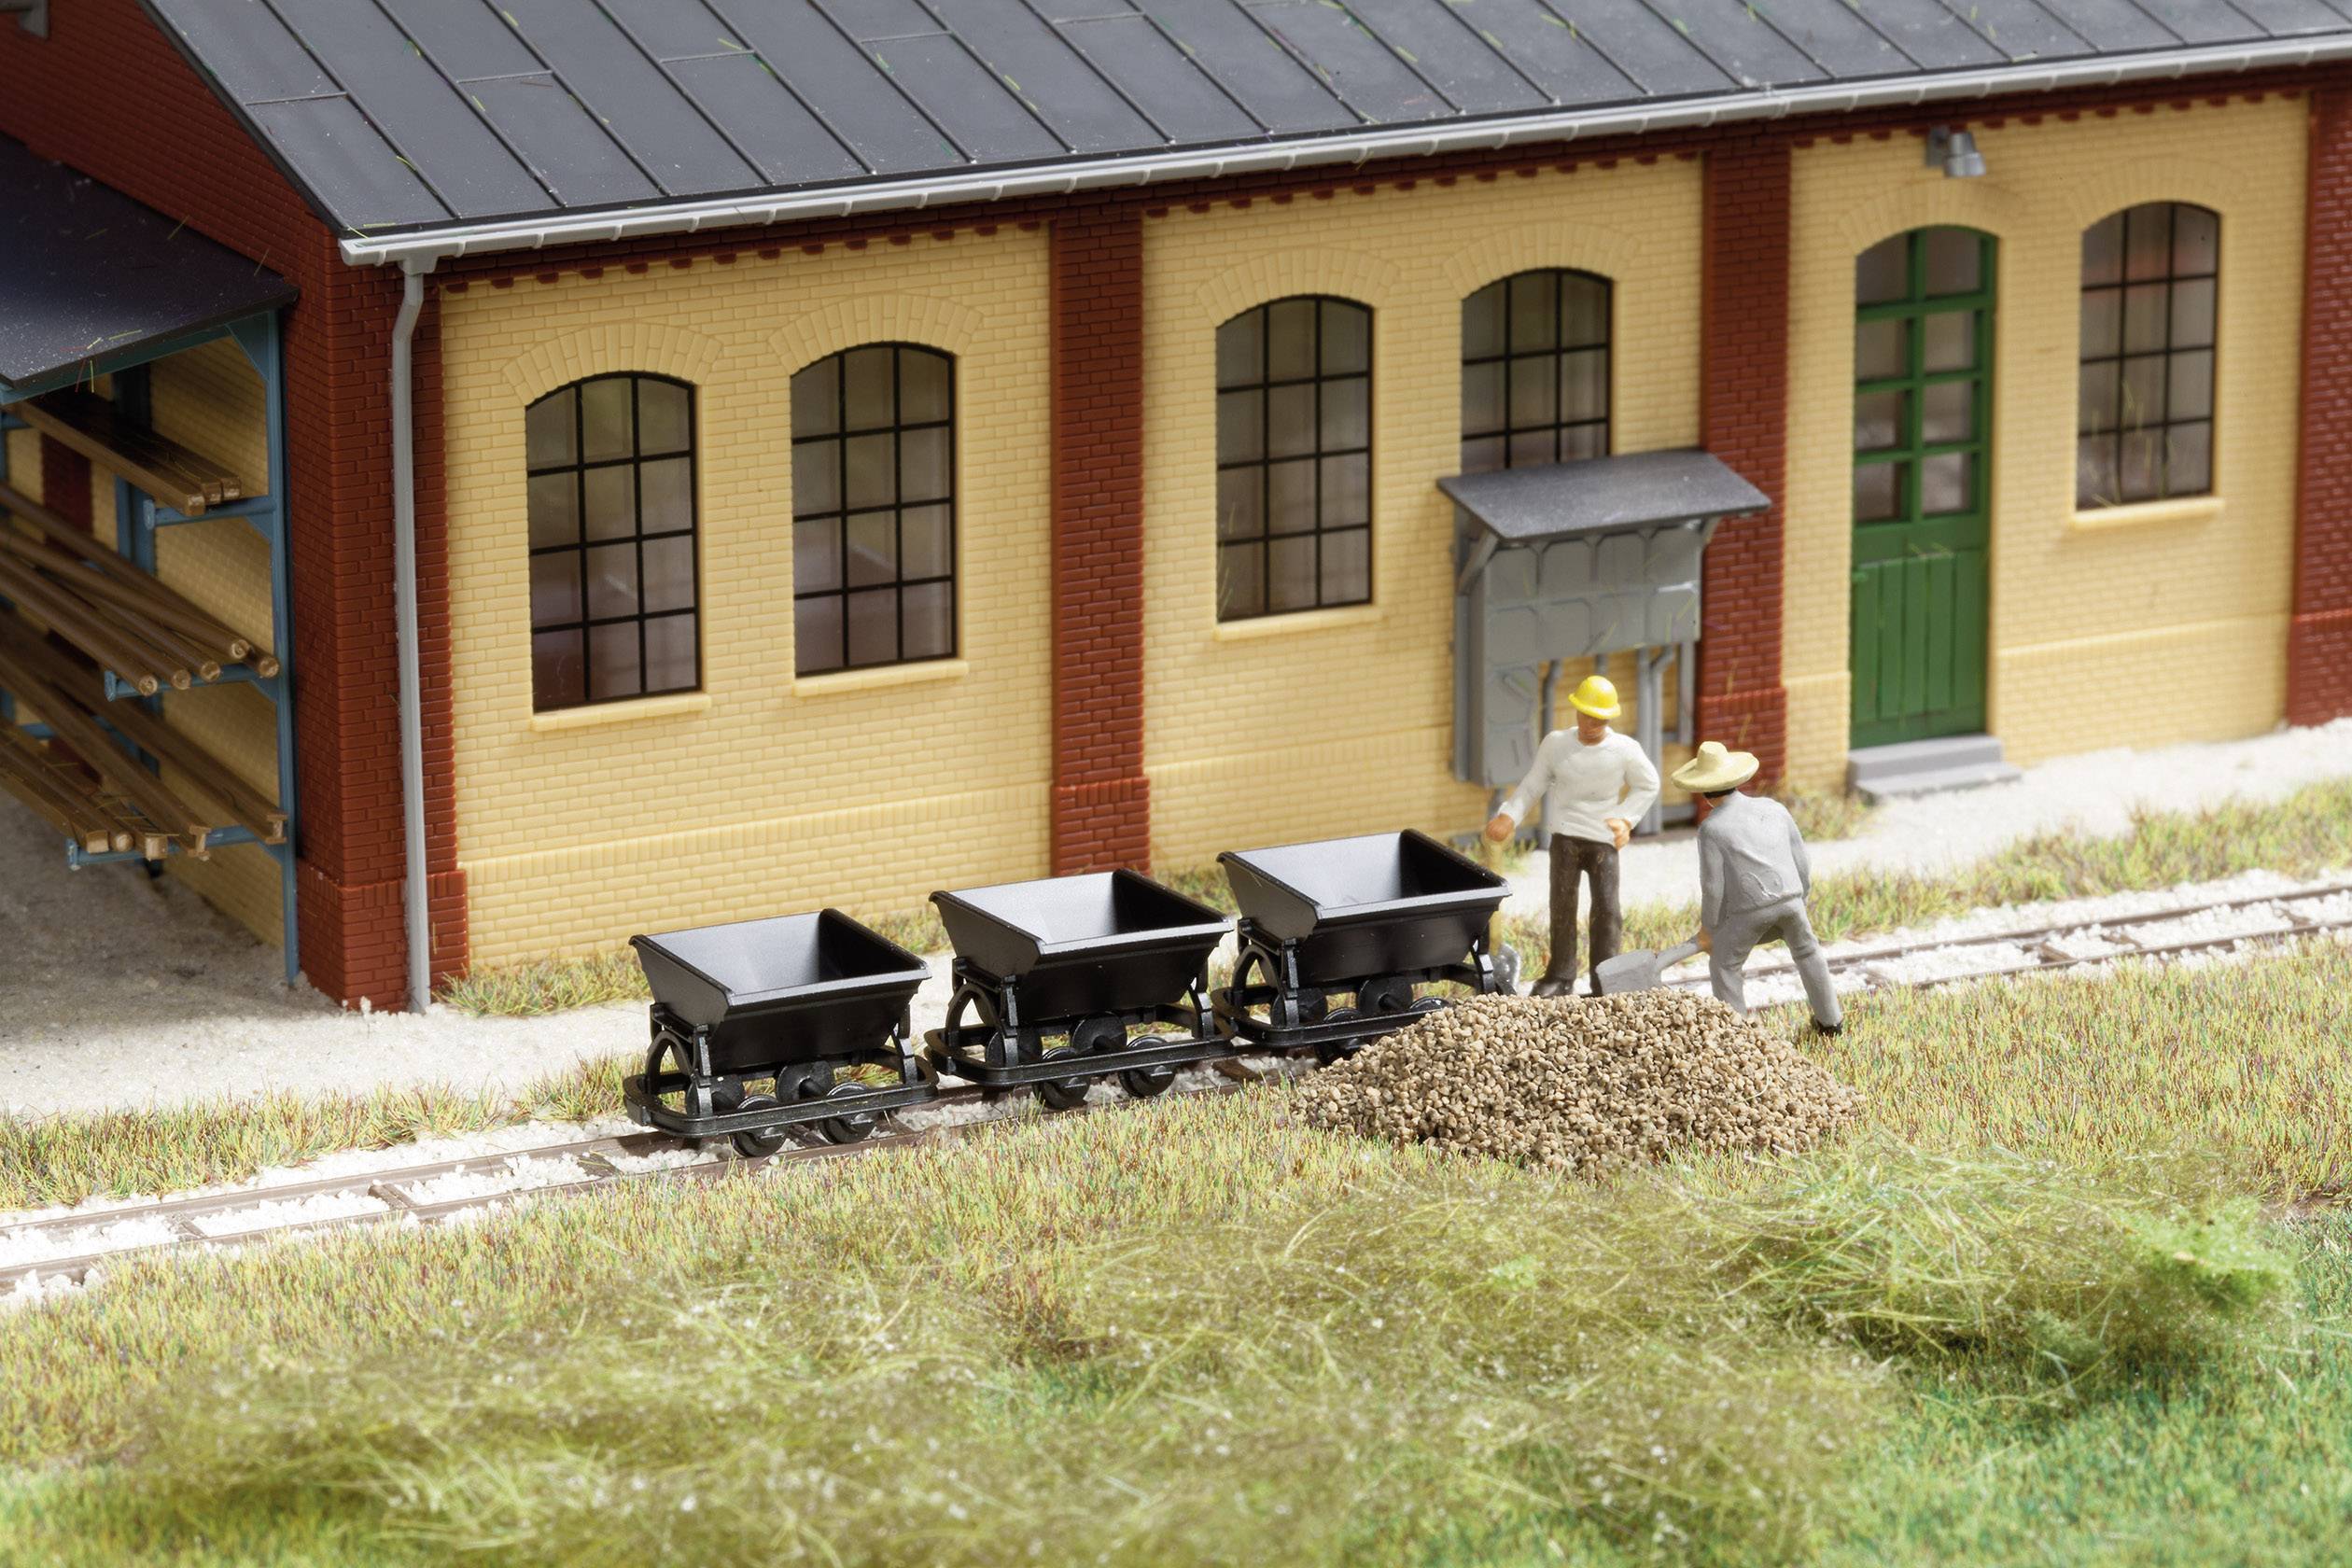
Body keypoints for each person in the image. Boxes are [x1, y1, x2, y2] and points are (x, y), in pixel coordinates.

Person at [1483, 674, 1658, 998]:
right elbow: (1533, 783)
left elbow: (1649, 784)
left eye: (1599, 717)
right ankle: (1560, 975)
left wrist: (1626, 818)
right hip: (1564, 838)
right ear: (1575, 711)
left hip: (1603, 839)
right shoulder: (1556, 744)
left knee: (1607, 910)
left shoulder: (1624, 750)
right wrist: (1510, 814)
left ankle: (1605, 979)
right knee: (1562, 906)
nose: (1591, 722)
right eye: (1585, 714)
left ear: (1609, 717)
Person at [1671, 740, 1842, 1035]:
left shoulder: (1712, 829)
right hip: (1792, 899)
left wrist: (1710, 929)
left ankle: (1740, 1037)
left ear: (1704, 791)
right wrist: (1801, 896)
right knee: (1807, 951)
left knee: (1724, 966)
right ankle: (1831, 1022)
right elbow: (1801, 858)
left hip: (1750, 910)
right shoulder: (1773, 808)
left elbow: (1713, 888)